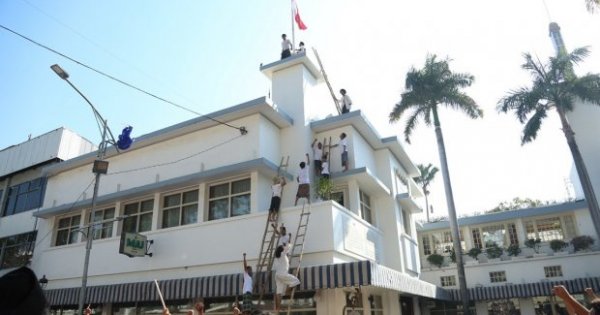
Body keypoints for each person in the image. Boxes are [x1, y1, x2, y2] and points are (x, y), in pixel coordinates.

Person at [273, 243, 301, 311]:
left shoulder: (277, 257)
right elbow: (289, 247)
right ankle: (287, 291)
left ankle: (278, 307)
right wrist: (288, 243)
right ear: (282, 249)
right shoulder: (283, 254)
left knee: (279, 292)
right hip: (283, 274)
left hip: (277, 275)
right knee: (296, 281)